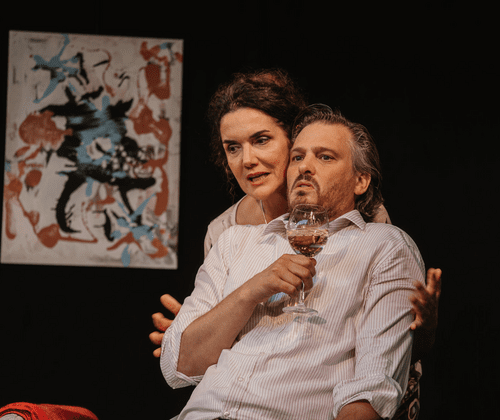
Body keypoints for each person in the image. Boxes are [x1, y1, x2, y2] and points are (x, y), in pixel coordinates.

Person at [150, 69, 442, 419]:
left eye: (262, 140)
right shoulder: (228, 236)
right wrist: (231, 305)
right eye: (233, 148)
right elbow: (182, 363)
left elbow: (382, 356)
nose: (247, 160)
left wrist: (422, 331)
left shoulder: (377, 236)